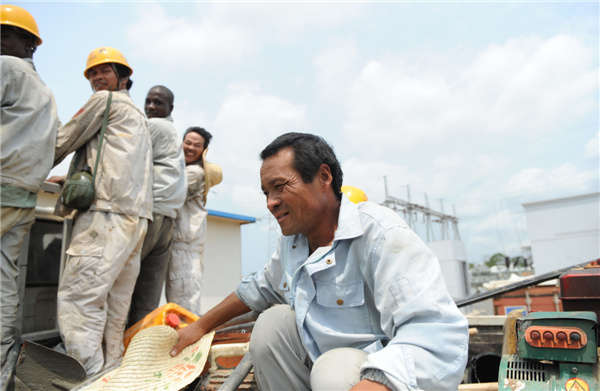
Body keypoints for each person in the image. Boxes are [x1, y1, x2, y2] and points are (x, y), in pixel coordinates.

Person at [171, 132, 469, 390]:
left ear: (324, 177)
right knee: (272, 323)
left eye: (280, 186)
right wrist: (199, 326)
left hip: (372, 375)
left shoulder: (381, 235)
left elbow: (436, 333)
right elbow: (258, 288)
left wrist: (378, 382)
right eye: (266, 192)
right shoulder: (293, 242)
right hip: (320, 366)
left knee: (332, 372)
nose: (270, 202)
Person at [50, 47, 153, 376]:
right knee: (114, 307)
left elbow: (62, 140)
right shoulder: (138, 115)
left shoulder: (103, 102)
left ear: (123, 77)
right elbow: (118, 165)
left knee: (79, 300)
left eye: (103, 71)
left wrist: (22, 169)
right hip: (135, 219)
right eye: (92, 73)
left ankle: (89, 379)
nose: (96, 78)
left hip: (105, 216)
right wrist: (70, 176)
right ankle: (112, 375)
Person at [0, 4, 60, 366]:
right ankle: (5, 357)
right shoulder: (45, 89)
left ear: (28, 44)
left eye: (3, 35)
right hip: (24, 195)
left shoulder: (6, 67)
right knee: (5, 276)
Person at [126, 86, 186, 328]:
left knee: (123, 283)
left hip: (152, 213)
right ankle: (139, 344)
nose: (150, 107)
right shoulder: (171, 130)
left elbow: (127, 158)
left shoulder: (154, 126)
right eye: (148, 101)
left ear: (170, 108)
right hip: (168, 217)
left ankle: (115, 345)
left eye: (157, 103)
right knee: (149, 289)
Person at [166, 127, 221, 315]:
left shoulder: (195, 173)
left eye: (197, 145)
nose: (190, 147)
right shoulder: (180, 170)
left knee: (183, 308)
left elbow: (167, 193)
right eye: (187, 142)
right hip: (178, 248)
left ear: (203, 151)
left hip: (185, 249)